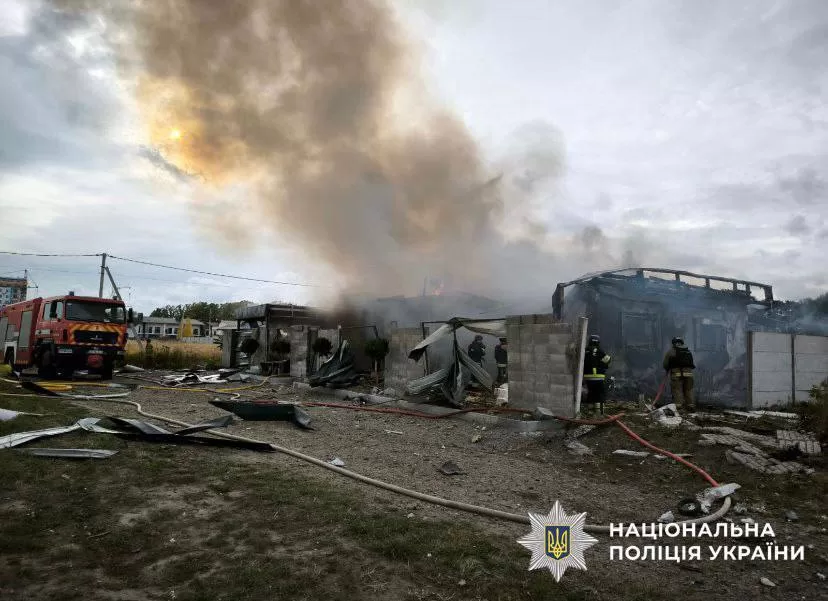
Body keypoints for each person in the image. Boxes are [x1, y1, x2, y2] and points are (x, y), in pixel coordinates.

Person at [663, 337, 696, 412]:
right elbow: (691, 363)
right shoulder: (688, 351)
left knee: (677, 390)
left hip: (676, 374)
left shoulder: (671, 351)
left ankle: (679, 408)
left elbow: (665, 364)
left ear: (674, 343)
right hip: (689, 375)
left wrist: (668, 368)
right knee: (688, 390)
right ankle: (690, 406)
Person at [582, 334, 612, 414]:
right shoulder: (600, 350)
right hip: (599, 377)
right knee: (599, 394)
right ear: (598, 342)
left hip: (588, 377)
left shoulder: (585, 350)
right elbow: (608, 359)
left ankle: (589, 411)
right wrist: (602, 364)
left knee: (591, 393)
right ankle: (599, 412)